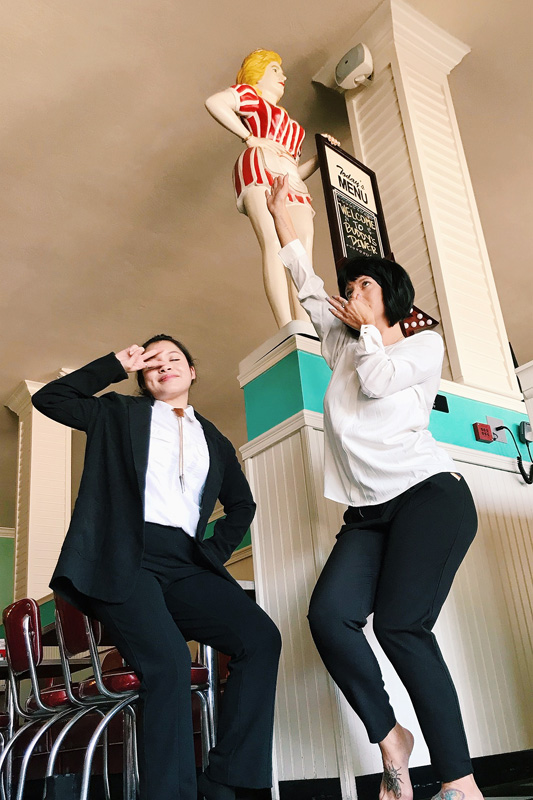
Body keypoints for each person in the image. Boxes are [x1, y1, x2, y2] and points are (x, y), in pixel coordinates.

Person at [266, 175, 484, 800]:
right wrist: (289, 226)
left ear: (390, 298)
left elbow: (383, 379)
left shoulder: (419, 346)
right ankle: (391, 737)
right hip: (366, 513)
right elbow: (305, 284)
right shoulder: (343, 347)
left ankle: (459, 781)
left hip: (429, 497)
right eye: (350, 285)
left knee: (400, 626)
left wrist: (363, 331)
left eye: (363, 285)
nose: (350, 293)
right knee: (329, 616)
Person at [32, 335, 281, 800]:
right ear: (143, 379)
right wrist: (114, 364)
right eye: (152, 363)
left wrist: (212, 551)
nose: (164, 365)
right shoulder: (117, 414)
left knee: (261, 638)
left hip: (187, 559)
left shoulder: (215, 440)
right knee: (167, 663)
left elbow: (242, 505)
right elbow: (49, 398)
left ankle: (227, 778)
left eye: (175, 359)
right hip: (127, 554)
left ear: (192, 372)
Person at [206, 48, 337, 328]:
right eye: (275, 70)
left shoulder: (290, 123)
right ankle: (287, 325)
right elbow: (215, 102)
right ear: (258, 74)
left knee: (302, 248)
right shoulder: (250, 96)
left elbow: (296, 169)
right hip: (259, 167)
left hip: (292, 178)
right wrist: (250, 137)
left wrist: (320, 158)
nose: (284, 76)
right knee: (273, 242)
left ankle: (306, 324)